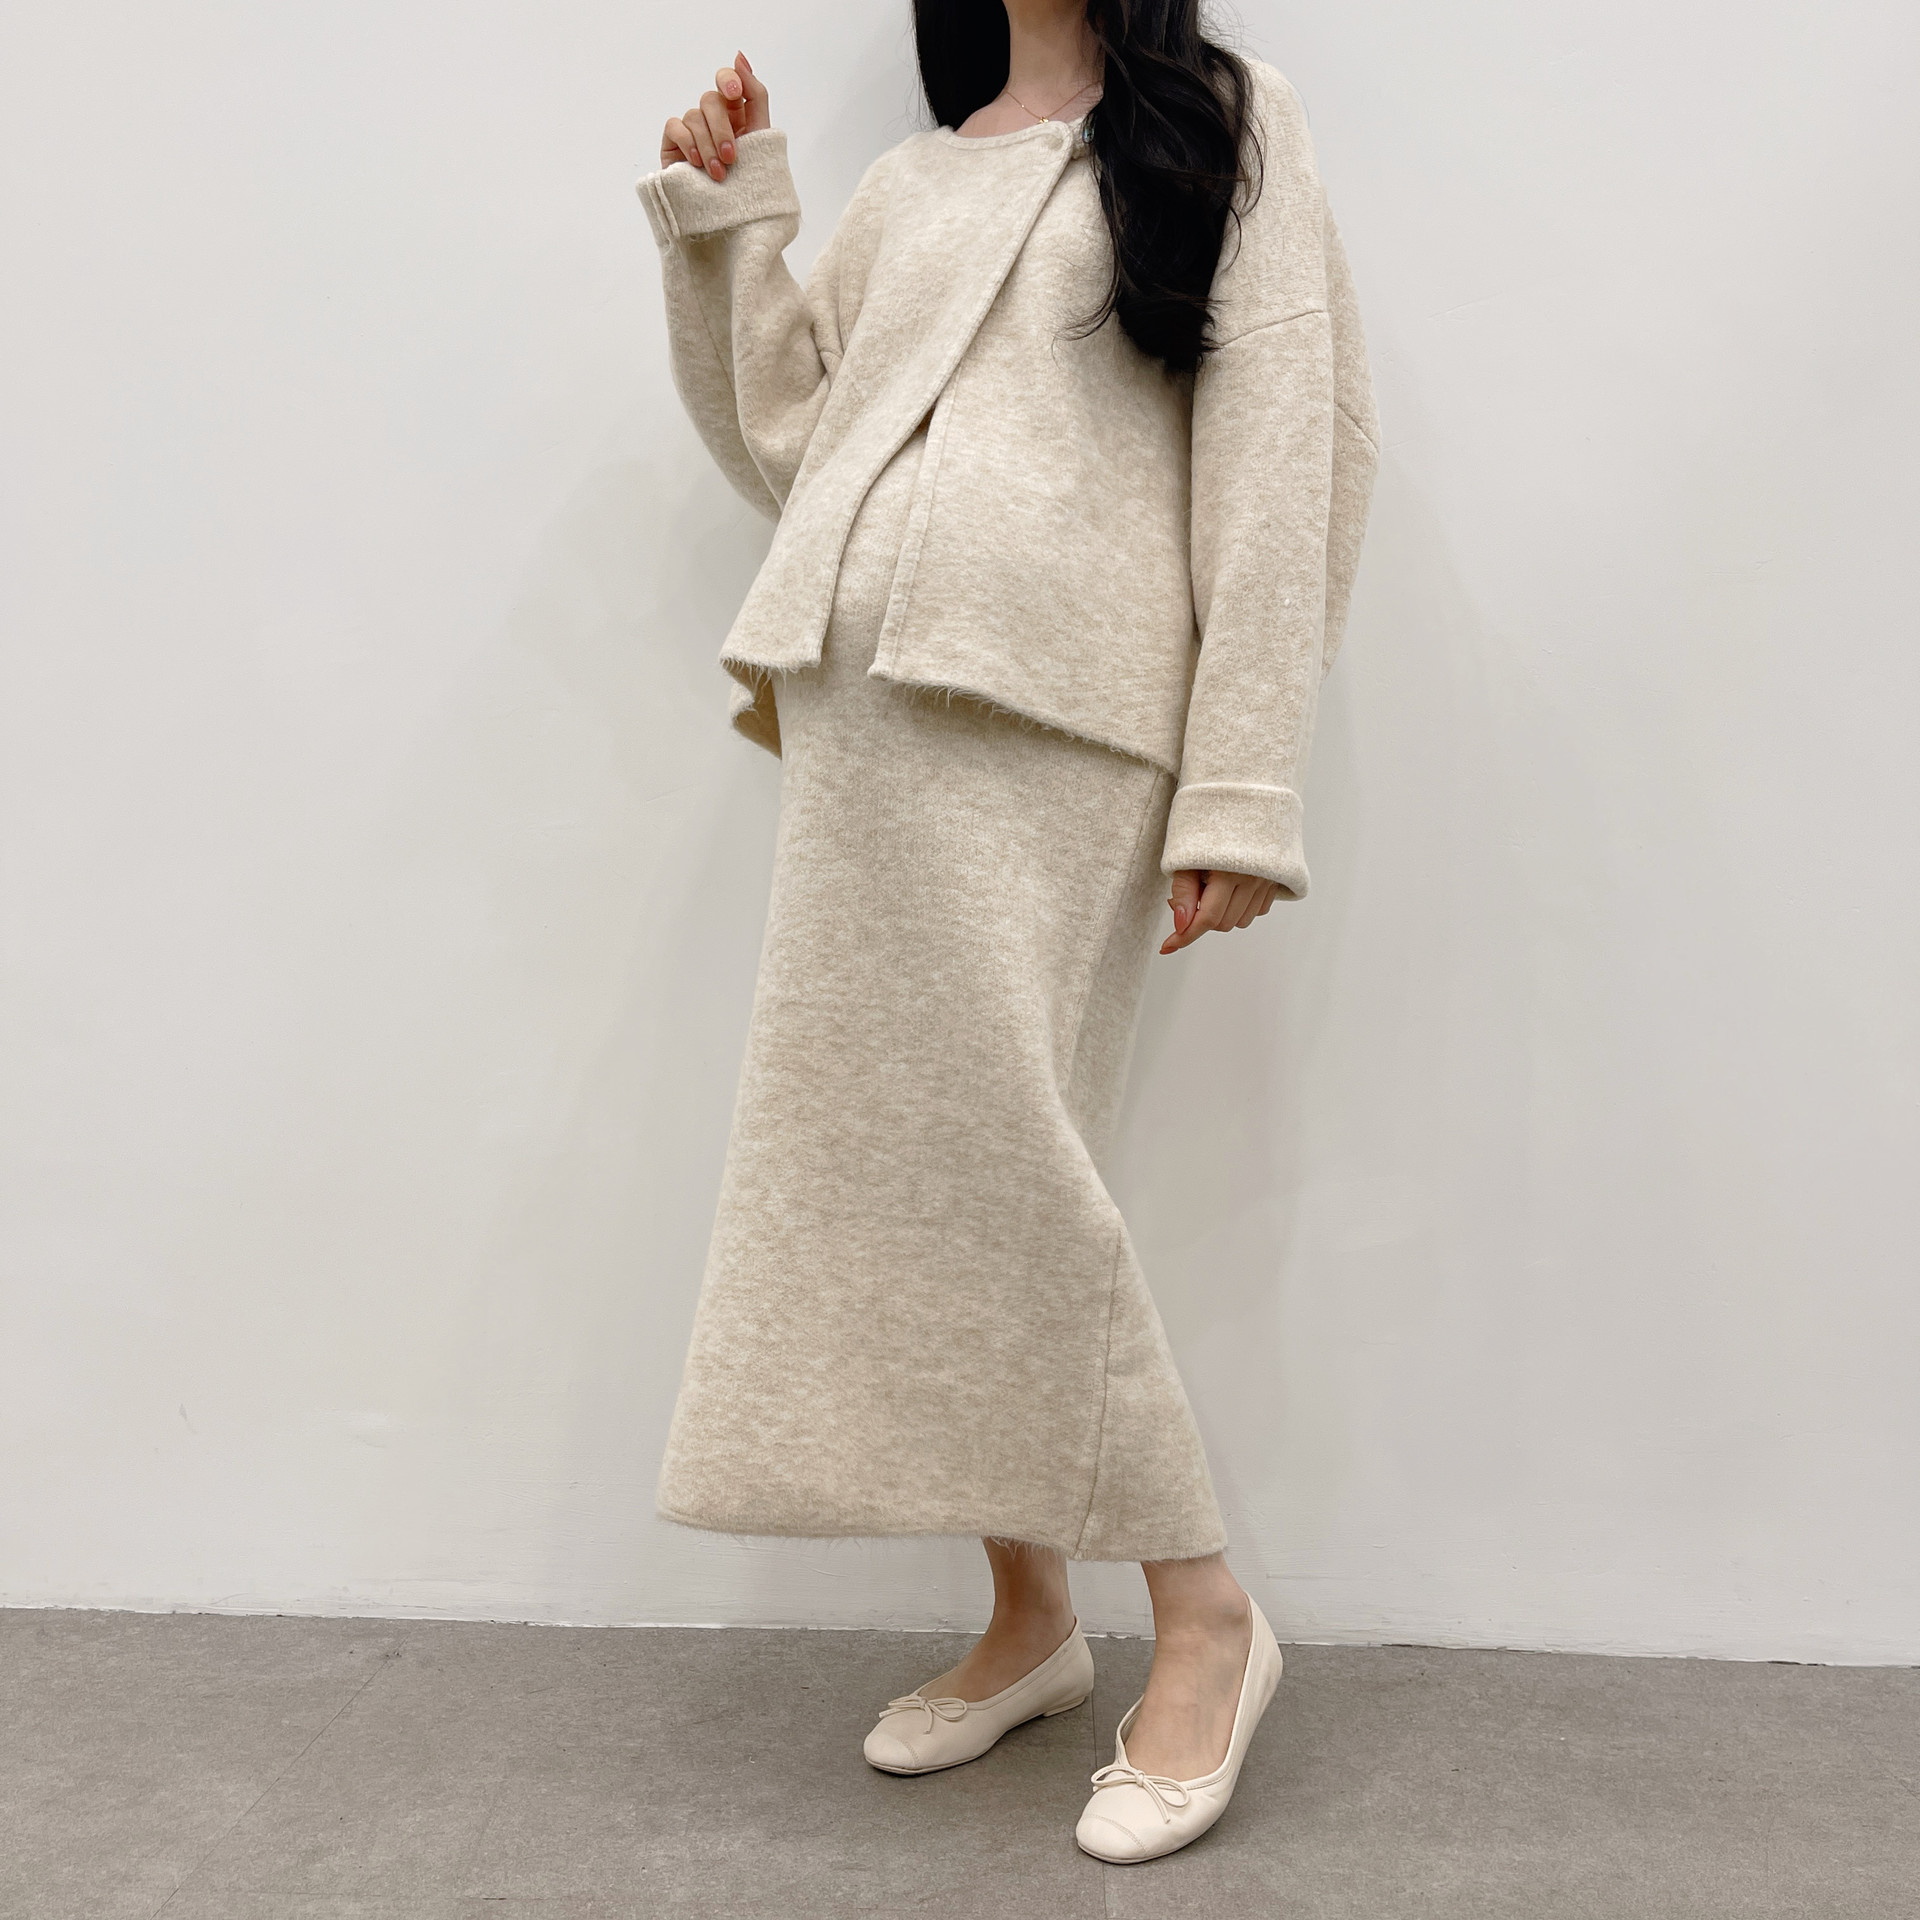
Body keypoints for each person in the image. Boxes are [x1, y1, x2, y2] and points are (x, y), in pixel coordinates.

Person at [637, 0, 1377, 1864]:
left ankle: (1204, 1614)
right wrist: (733, 221)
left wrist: (1242, 788)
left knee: (1003, 1158)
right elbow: (802, 441)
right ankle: (1032, 1615)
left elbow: (1284, 460)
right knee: (918, 1161)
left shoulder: (1224, 124)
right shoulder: (916, 178)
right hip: (863, 720)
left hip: (1063, 723)